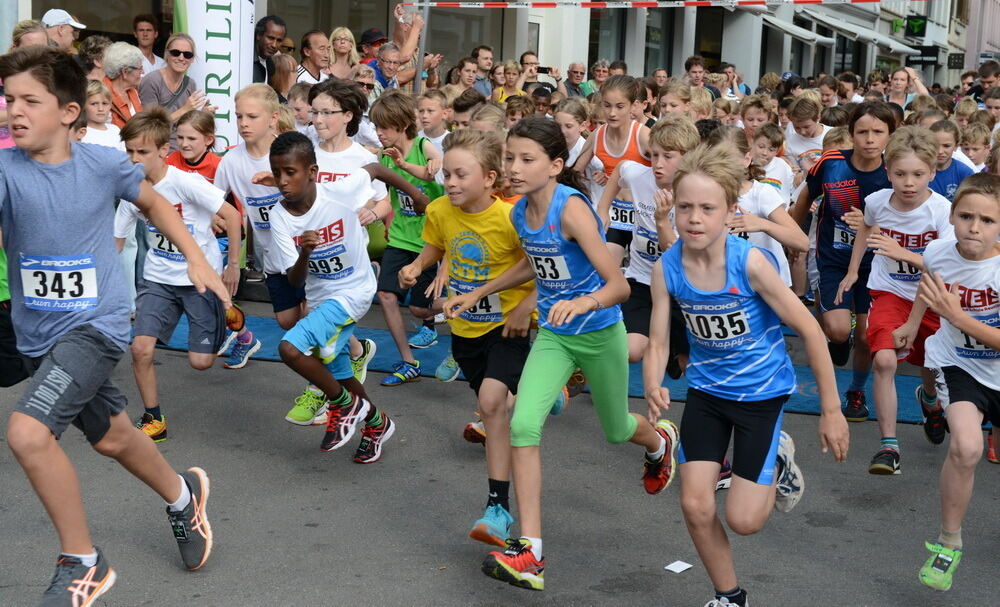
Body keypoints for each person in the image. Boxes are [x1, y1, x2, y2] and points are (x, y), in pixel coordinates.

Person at [1, 45, 226, 605]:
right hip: (36, 335)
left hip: (95, 326)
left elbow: (157, 203)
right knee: (112, 437)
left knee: (28, 433)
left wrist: (196, 258)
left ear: (69, 112)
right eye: (9, 100)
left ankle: (83, 561)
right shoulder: (4, 170)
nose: (14, 112)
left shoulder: (101, 163)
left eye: (30, 100)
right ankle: (183, 497)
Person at [446, 117, 678, 591]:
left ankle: (660, 443)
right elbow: (532, 265)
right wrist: (477, 294)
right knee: (523, 425)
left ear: (555, 165)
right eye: (509, 158)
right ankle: (531, 551)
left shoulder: (571, 210)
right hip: (553, 334)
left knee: (617, 430)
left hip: (598, 332)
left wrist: (583, 301)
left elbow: (616, 284)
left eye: (526, 160)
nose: (513, 168)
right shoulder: (518, 213)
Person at [645, 142, 848, 607]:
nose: (694, 218)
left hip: (761, 397)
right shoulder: (667, 268)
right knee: (695, 504)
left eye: (707, 208)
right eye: (685, 207)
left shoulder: (749, 263)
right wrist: (654, 383)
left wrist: (831, 411)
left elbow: (811, 332)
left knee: (744, 520)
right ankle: (729, 596)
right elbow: (658, 341)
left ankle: (776, 456)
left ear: (731, 211)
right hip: (707, 393)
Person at [398, 128, 538, 545]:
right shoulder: (440, 210)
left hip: (506, 326)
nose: (452, 183)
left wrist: (524, 307)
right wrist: (416, 266)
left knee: (491, 404)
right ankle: (544, 393)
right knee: (492, 406)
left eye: (461, 175)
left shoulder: (510, 218)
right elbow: (436, 246)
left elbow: (538, 267)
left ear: (490, 178)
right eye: (447, 176)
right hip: (465, 328)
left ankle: (497, 507)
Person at [264, 132, 396, 461]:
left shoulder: (338, 193)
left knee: (290, 348)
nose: (282, 181)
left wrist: (419, 198)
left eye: (289, 172)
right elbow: (294, 279)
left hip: (354, 291)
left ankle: (342, 406)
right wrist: (305, 253)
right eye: (276, 172)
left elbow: (377, 169)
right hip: (321, 296)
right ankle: (377, 423)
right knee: (338, 370)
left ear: (312, 171)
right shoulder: (279, 216)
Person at [113, 108, 242, 442]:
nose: (134, 159)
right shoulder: (131, 190)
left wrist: (232, 267)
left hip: (200, 279)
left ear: (161, 150)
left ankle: (238, 333)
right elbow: (115, 244)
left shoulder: (186, 182)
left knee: (201, 362)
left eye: (142, 152)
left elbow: (231, 216)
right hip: (157, 279)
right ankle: (154, 419)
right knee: (140, 348)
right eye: (129, 152)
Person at [837, 126, 953, 474]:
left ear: (933, 173)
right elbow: (866, 229)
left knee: (929, 365)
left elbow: (945, 266)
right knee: (885, 360)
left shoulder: (941, 211)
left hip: (931, 295)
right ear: (888, 172)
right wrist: (854, 270)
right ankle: (889, 447)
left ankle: (930, 400)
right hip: (888, 291)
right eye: (900, 174)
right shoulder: (876, 202)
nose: (908, 182)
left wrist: (904, 252)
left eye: (918, 174)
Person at [915, 173, 1000, 590]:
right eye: (966, 216)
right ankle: (948, 543)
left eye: (987, 220)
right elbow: (927, 288)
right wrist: (913, 325)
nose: (974, 227)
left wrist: (959, 317)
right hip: (959, 364)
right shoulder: (937, 251)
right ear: (951, 215)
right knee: (966, 447)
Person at [790, 102, 895, 422]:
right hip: (833, 258)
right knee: (837, 331)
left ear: (891, 135)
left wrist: (873, 224)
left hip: (876, 262)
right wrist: (793, 237)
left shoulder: (895, 171)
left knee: (865, 335)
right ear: (851, 134)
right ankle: (839, 338)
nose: (869, 139)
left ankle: (856, 391)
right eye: (862, 132)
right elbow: (806, 196)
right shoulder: (832, 162)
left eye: (878, 132)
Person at [597, 114, 700, 364]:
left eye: (667, 156)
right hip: (642, 280)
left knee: (690, 360)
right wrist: (602, 209)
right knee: (631, 351)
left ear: (688, 157)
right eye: (653, 155)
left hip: (683, 286)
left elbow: (675, 251)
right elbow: (621, 169)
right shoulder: (639, 175)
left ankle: (674, 350)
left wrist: (662, 220)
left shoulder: (698, 192)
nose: (657, 164)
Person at [709, 126, 808, 287]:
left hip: (770, 287)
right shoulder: (705, 196)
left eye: (729, 159)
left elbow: (801, 242)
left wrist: (762, 224)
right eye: (716, 159)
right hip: (731, 286)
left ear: (746, 160)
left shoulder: (760, 193)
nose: (722, 166)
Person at [574, 75, 652, 265]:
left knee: (642, 277)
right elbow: (574, 173)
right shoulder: (598, 134)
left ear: (633, 105)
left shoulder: (643, 135)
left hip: (643, 217)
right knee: (606, 268)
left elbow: (670, 168)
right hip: (614, 214)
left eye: (619, 106)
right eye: (607, 105)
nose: (612, 113)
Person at [166, 110, 222, 184]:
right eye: (180, 137)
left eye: (191, 138)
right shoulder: (172, 160)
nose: (184, 144)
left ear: (208, 140)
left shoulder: (219, 166)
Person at [929, 120, 976, 201]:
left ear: (956, 146)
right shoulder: (920, 170)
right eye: (935, 145)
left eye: (946, 146)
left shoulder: (964, 172)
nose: (940, 151)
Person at [102, 42, 145, 128]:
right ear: (125, 72)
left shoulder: (133, 92)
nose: (143, 72)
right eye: (140, 68)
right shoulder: (102, 94)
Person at [752, 122, 794, 207]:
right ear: (753, 142)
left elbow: (792, 188)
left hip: (777, 216)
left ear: (777, 151)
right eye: (761, 147)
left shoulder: (783, 166)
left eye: (771, 150)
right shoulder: (745, 164)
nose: (764, 153)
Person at [81, 80, 123, 150]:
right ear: (83, 105)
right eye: (94, 104)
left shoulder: (115, 130)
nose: (100, 109)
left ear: (110, 105)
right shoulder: (80, 133)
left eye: (104, 103)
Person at [253, 15, 287, 84]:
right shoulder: (245, 62)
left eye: (279, 40)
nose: (274, 45)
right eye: (270, 38)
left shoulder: (271, 66)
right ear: (259, 35)